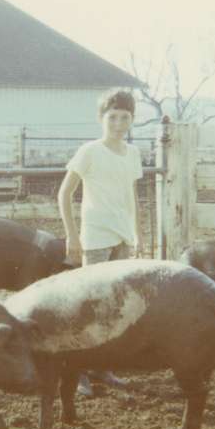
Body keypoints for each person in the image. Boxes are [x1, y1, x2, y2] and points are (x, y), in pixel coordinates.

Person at [57, 88, 145, 397]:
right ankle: (76, 371)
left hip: (123, 236)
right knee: (89, 305)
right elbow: (65, 193)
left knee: (114, 304)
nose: (119, 124)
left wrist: (138, 233)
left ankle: (103, 367)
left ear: (132, 120)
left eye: (125, 118)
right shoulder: (90, 151)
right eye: (113, 117)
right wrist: (72, 235)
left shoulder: (132, 153)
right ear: (101, 119)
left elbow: (132, 196)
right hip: (95, 236)